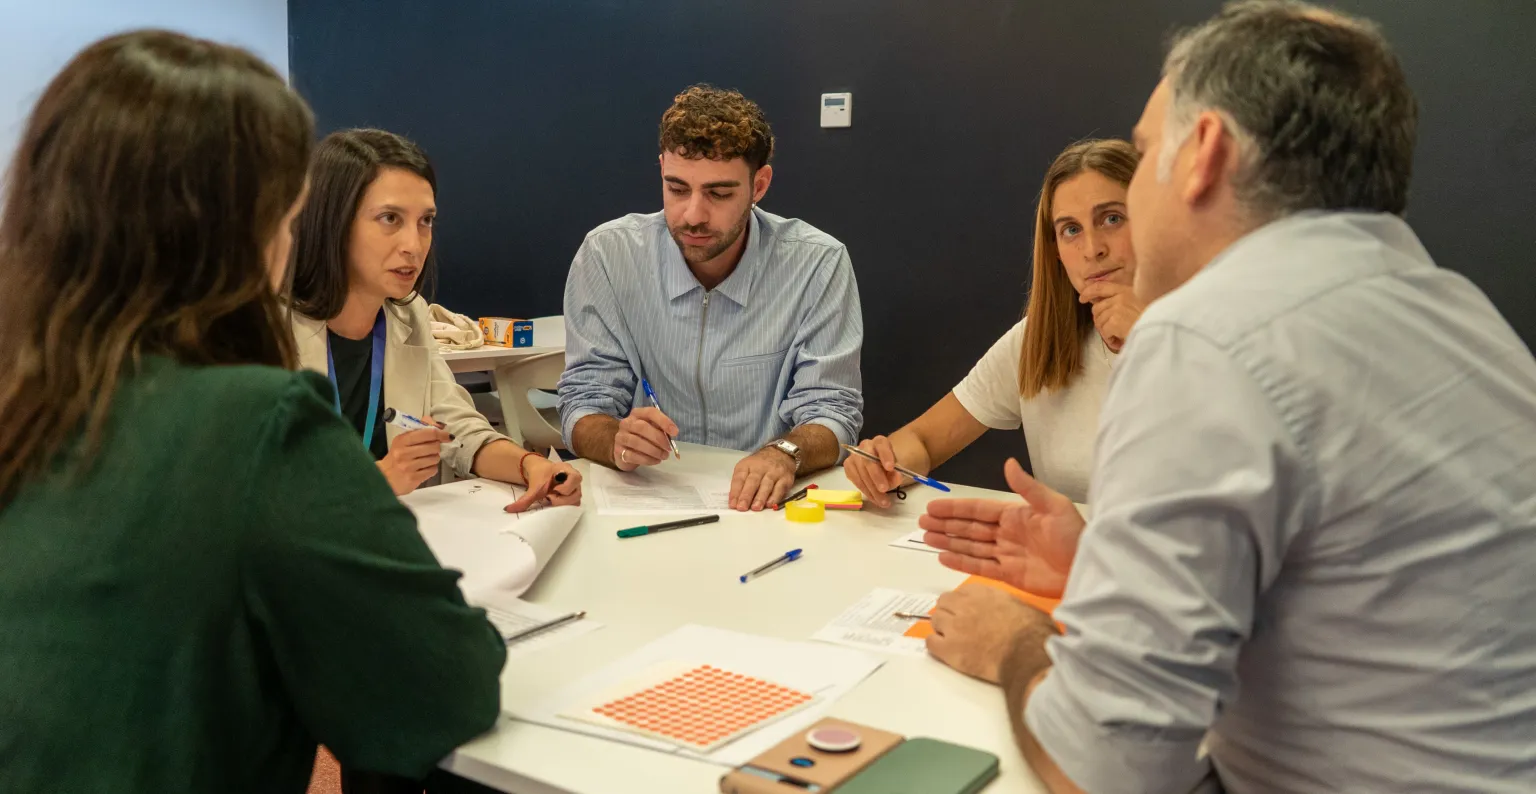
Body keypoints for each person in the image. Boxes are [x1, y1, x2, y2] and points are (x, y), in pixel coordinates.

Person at [919, 2, 1536, 793]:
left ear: (1203, 152)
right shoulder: (1456, 311)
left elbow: (1103, 766)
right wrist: (1101, 562)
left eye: (1142, 158)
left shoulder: (1204, 335)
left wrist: (1013, 641)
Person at [0, 31, 506, 792]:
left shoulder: (31, 405)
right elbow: (448, 686)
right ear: (233, 226)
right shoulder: (259, 420)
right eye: (285, 211)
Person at [558, 84, 863, 512]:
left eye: (719, 194)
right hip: (649, 497)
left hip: (767, 506)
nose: (693, 215)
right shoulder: (609, 255)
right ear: (661, 169)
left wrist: (785, 454)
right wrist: (616, 440)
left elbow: (834, 410)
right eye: (677, 188)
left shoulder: (817, 262)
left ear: (759, 185)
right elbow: (583, 400)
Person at [289, 128, 581, 508]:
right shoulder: (260, 330)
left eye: (425, 221)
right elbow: (243, 485)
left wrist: (529, 466)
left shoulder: (407, 316)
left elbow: (458, 428)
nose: (413, 244)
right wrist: (372, 479)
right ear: (333, 222)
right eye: (390, 218)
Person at [844, 139, 1142, 507]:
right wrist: (886, 463)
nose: (1092, 248)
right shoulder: (1038, 339)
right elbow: (922, 440)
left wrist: (1154, 341)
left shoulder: (1213, 335)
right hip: (1073, 560)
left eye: (1111, 219)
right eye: (1071, 230)